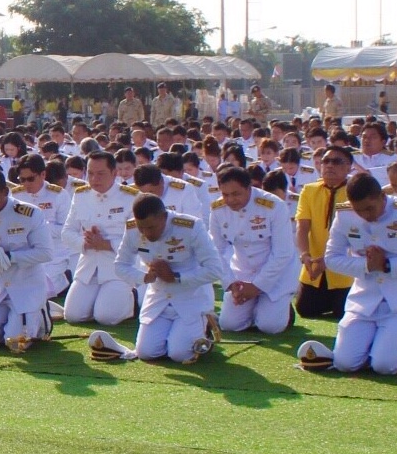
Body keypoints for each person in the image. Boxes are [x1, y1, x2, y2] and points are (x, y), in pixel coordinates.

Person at [323, 173, 397, 374]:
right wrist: (367, 266)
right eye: (359, 210)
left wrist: (387, 265)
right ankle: (380, 345)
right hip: (364, 300)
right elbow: (331, 258)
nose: (365, 215)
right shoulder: (344, 215)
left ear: (382, 196)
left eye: (370, 208)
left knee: (385, 366)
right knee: (345, 363)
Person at [115, 192, 225, 362]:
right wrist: (145, 277)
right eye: (140, 227)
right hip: (159, 299)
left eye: (150, 227)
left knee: (179, 354)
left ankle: (205, 326)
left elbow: (215, 270)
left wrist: (177, 277)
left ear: (164, 217)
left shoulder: (190, 227)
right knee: (146, 352)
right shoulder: (131, 229)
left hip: (191, 298)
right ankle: (180, 336)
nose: (145, 233)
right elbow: (120, 265)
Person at [0, 166, 56, 350]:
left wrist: (10, 256)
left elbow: (46, 253)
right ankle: (14, 323)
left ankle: (38, 316)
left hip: (26, 286)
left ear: (5, 191)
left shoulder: (29, 214)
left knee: (16, 345)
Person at [208, 166, 296, 336]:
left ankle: (282, 309)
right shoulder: (218, 209)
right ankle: (259, 308)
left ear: (249, 188)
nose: (231, 200)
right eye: (225, 195)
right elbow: (216, 251)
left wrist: (258, 286)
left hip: (276, 274)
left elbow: (282, 253)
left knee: (270, 327)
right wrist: (231, 283)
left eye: (236, 194)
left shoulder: (273, 206)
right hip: (243, 272)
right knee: (229, 324)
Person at [61, 151, 139, 326]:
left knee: (106, 317)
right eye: (90, 173)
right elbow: (67, 233)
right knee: (73, 315)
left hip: (117, 267)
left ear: (114, 173)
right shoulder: (81, 196)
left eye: (100, 173)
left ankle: (132, 298)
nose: (94, 178)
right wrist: (86, 243)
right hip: (88, 266)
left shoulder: (130, 197)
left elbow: (138, 241)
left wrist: (107, 244)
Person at [294, 146, 355, 318]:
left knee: (343, 312)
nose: (329, 165)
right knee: (305, 309)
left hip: (345, 269)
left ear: (349, 166)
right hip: (314, 267)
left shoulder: (356, 191)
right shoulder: (309, 190)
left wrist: (329, 260)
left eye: (336, 161)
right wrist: (305, 255)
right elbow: (302, 226)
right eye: (325, 161)